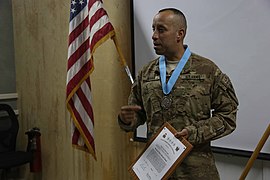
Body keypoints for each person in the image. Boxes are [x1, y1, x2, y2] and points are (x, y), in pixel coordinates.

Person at [118, 8, 238, 179]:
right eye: (153, 29)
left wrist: (194, 132)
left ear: (179, 34)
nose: (154, 35)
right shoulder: (146, 73)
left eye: (161, 29)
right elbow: (139, 115)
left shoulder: (207, 71)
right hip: (156, 170)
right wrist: (127, 120)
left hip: (195, 171)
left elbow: (228, 117)